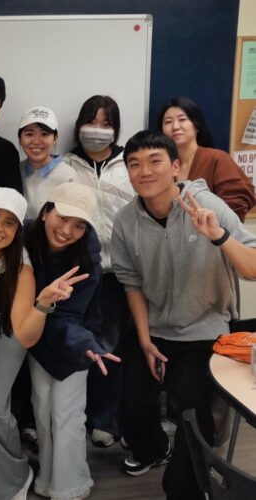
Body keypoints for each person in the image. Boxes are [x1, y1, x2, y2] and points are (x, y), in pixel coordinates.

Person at [111, 130, 256, 499]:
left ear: (175, 167)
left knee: (192, 415)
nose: (144, 171)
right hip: (155, 330)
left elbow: (253, 268)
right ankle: (154, 450)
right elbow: (131, 284)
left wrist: (218, 236)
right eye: (134, 164)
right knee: (132, 406)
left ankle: (185, 487)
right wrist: (144, 340)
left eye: (155, 161)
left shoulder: (207, 205)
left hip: (204, 331)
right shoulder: (125, 221)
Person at [0, 187, 87, 500]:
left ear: (18, 230)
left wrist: (42, 304)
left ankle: (14, 478)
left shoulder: (20, 265)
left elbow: (25, 333)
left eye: (10, 222)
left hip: (6, 329)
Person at [22, 182, 120, 500]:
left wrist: (86, 346)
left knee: (67, 413)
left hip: (77, 338)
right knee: (42, 408)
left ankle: (70, 486)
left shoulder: (87, 256)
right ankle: (47, 478)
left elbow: (72, 315)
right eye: (62, 218)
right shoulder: (26, 236)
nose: (67, 231)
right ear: (46, 212)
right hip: (37, 335)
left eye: (79, 225)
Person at [64, 95, 135, 448]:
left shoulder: (128, 164)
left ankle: (105, 420)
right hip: (78, 271)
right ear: (79, 125)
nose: (98, 130)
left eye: (106, 124)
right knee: (79, 344)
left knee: (112, 345)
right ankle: (77, 419)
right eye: (91, 122)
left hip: (118, 273)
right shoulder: (65, 165)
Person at [157, 96, 255, 221]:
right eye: (168, 122)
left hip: (213, 231)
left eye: (182, 119)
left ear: (197, 125)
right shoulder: (163, 166)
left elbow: (237, 205)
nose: (175, 126)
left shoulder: (217, 158)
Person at [18, 106, 77, 218]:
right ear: (20, 139)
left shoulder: (68, 176)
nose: (36, 141)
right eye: (29, 134)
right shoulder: (14, 171)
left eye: (44, 134)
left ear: (55, 138)